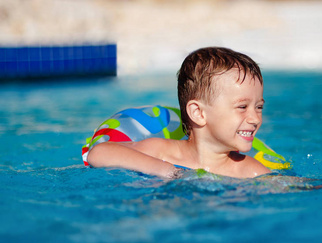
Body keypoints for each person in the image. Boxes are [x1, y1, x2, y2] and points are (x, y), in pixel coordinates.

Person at [87, 47, 272, 178]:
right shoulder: (161, 152)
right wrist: (166, 171)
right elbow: (98, 153)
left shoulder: (249, 171)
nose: (255, 118)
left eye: (259, 107)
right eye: (242, 107)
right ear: (198, 113)